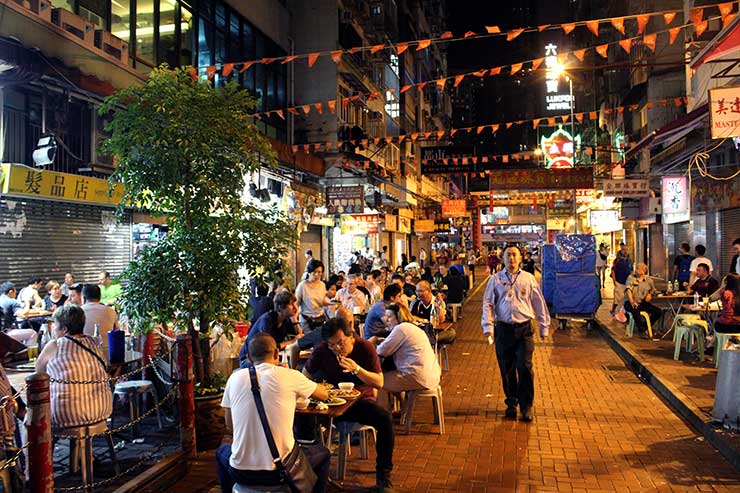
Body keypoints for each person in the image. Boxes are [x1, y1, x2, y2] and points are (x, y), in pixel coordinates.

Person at [217, 333, 330, 493]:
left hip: (241, 473)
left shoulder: (234, 378)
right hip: (281, 472)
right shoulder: (291, 375)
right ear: (277, 353)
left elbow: (230, 425)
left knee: (221, 453)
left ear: (249, 358)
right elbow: (324, 394)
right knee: (323, 454)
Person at [303, 318, 394, 492]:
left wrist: (357, 370)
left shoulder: (365, 347)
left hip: (357, 403)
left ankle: (384, 476)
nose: (336, 348)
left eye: (340, 343)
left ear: (350, 336)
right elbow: (305, 374)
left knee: (385, 419)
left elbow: (379, 382)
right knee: (302, 421)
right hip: (329, 402)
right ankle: (314, 475)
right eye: (332, 345)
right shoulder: (322, 350)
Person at [481, 245, 550, 422]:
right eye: (508, 255)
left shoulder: (528, 279)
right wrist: (488, 326)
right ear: (502, 258)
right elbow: (488, 303)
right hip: (503, 330)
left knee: (525, 367)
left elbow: (538, 301)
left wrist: (544, 326)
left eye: (514, 255)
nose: (511, 258)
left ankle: (526, 406)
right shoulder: (495, 280)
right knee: (507, 369)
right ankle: (511, 402)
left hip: (524, 330)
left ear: (520, 258)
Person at [36, 305, 113, 428]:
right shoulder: (94, 342)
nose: (53, 328)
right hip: (102, 410)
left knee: (31, 417)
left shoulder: (55, 345)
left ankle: (30, 446)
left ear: (64, 329)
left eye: (55, 324)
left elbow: (38, 374)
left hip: (66, 415)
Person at [371, 302, 441, 410]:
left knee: (378, 382)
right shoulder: (411, 327)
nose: (387, 321)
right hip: (431, 374)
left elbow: (382, 351)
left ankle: (383, 420)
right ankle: (403, 408)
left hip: (417, 376)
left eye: (389, 317)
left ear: (399, 317)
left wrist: (372, 341)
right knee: (390, 376)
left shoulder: (401, 329)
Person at [238, 291, 302, 367]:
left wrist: (295, 319)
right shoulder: (267, 320)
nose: (295, 307)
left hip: (268, 358)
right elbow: (268, 346)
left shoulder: (286, 320)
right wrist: (291, 341)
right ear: (280, 307)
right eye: (291, 304)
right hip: (250, 360)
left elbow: (299, 337)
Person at [295, 260, 331, 353]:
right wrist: (296, 321)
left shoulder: (322, 285)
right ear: (310, 272)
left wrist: (331, 303)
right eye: (315, 272)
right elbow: (296, 304)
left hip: (319, 318)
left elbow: (322, 301)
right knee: (308, 346)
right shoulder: (302, 286)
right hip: (306, 320)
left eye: (320, 272)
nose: (318, 275)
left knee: (319, 346)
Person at [624, 263, 662, 338]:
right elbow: (628, 290)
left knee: (658, 311)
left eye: (641, 268)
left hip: (643, 302)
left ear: (645, 270)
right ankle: (642, 331)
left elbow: (653, 290)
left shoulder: (649, 280)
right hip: (631, 302)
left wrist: (650, 294)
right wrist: (632, 302)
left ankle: (645, 327)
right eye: (637, 268)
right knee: (635, 310)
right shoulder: (631, 278)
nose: (638, 270)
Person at [411, 280, 455, 345]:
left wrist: (438, 306)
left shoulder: (437, 301)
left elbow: (441, 320)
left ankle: (428, 340)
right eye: (417, 291)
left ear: (429, 291)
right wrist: (423, 320)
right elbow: (411, 317)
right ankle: (429, 340)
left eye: (421, 291)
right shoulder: (415, 302)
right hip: (420, 331)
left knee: (451, 333)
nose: (418, 293)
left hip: (434, 332)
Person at [610, 243, 633, 314]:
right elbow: (613, 270)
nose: (625, 251)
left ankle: (622, 312)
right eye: (623, 250)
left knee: (625, 298)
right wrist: (614, 281)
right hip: (619, 282)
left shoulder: (629, 260)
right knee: (618, 298)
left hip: (627, 282)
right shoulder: (617, 260)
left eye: (626, 250)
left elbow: (631, 270)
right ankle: (614, 310)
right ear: (621, 250)